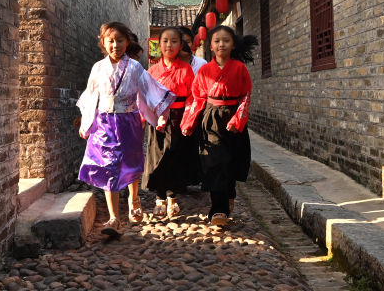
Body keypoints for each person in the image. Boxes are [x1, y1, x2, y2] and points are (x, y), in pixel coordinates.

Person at [77, 22, 174, 237]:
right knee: (108, 167)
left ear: (127, 42)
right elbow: (90, 96)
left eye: (120, 40)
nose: (115, 45)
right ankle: (114, 218)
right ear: (103, 43)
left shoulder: (135, 67)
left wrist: (160, 115)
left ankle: (134, 198)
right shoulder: (98, 68)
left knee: (130, 162)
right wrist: (86, 123)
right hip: (104, 123)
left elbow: (149, 91)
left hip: (128, 121)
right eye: (110, 41)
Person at [181, 25, 258, 228]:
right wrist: (189, 121)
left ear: (233, 45)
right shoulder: (205, 70)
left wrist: (238, 120)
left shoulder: (240, 69)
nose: (221, 44)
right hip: (211, 119)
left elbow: (245, 96)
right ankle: (218, 209)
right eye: (217, 41)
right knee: (215, 163)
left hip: (232, 118)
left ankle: (229, 193)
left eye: (226, 40)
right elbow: (197, 97)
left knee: (230, 162)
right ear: (211, 46)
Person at [143, 26, 199, 218]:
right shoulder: (152, 71)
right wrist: (148, 117)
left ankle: (172, 197)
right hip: (158, 120)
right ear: (159, 45)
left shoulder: (186, 69)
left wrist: (189, 119)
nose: (169, 45)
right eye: (165, 41)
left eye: (174, 41)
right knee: (158, 157)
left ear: (181, 45)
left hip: (178, 118)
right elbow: (146, 98)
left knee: (175, 157)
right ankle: (159, 198)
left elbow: (192, 96)